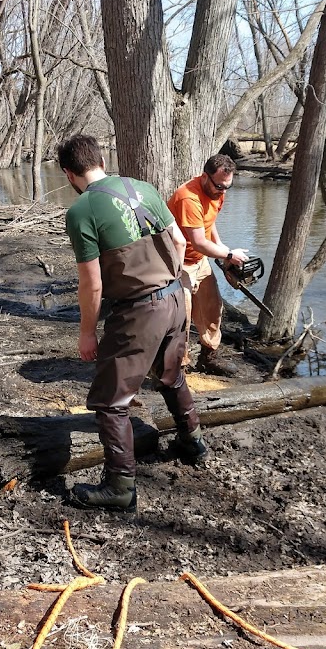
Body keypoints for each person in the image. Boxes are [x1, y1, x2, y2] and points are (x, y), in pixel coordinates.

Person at [59, 135, 208, 511]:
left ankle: (120, 485)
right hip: (175, 298)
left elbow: (92, 283)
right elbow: (176, 240)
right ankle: (193, 442)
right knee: (171, 374)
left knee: (111, 400)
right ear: (102, 160)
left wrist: (87, 332)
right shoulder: (142, 188)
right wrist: (170, 282)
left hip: (139, 309)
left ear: (68, 173)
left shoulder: (81, 210)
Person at [167, 154, 250, 376]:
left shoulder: (217, 191)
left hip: (199, 260)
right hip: (177, 262)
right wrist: (229, 253)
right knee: (180, 318)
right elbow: (199, 242)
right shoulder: (188, 198)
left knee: (213, 308)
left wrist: (222, 250)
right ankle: (178, 367)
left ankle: (208, 357)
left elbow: (208, 224)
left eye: (228, 187)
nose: (223, 192)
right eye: (220, 186)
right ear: (205, 177)